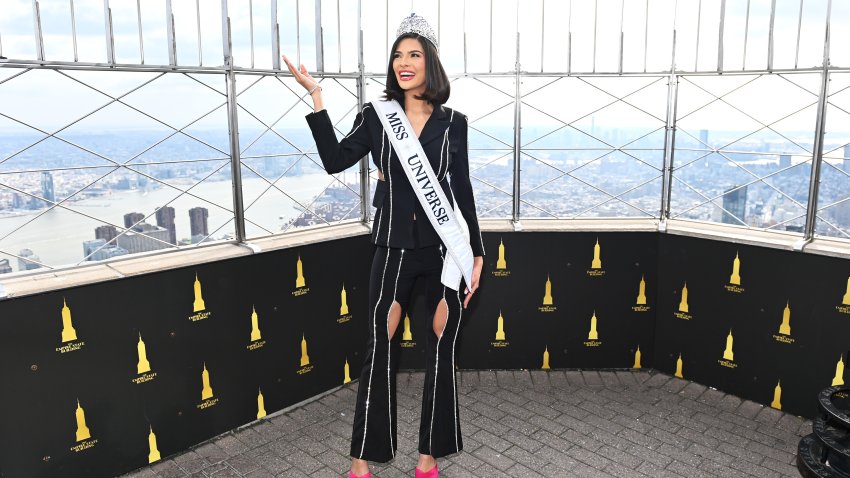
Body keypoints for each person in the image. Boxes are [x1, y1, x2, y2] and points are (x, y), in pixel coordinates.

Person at [284, 13, 484, 478]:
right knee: (379, 348)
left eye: (414, 54)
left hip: (442, 254)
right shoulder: (377, 118)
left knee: (441, 348)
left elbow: (463, 190)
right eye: (397, 55)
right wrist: (316, 97)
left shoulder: (455, 123)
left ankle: (428, 457)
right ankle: (361, 460)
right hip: (391, 250)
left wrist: (475, 251)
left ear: (430, 63)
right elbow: (335, 160)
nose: (403, 63)